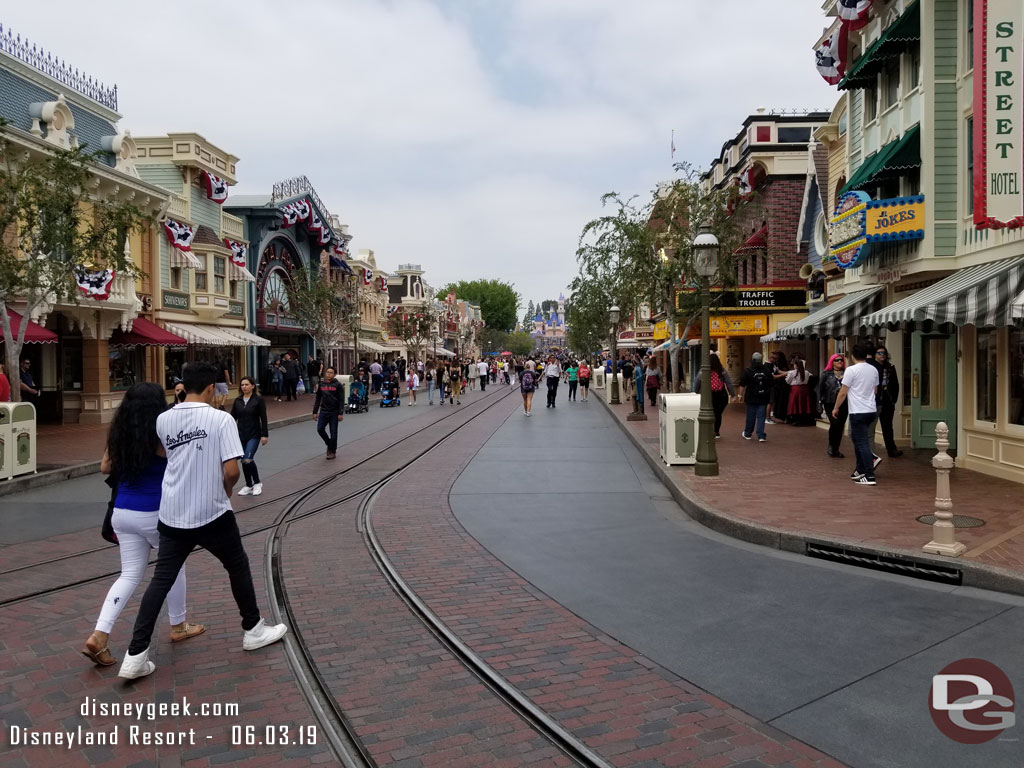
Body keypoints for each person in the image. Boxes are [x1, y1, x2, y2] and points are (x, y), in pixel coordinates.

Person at [118, 363, 288, 680]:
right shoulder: (221, 419)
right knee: (237, 566)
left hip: (172, 513)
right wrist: (225, 492)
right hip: (211, 511)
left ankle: (135, 655)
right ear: (211, 388)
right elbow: (233, 470)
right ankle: (252, 629)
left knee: (160, 580)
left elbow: (164, 454)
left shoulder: (164, 418)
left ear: (184, 386)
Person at [82, 383, 205, 668]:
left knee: (129, 575)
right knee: (173, 566)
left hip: (123, 512)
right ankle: (178, 625)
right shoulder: (161, 431)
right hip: (155, 511)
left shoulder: (119, 431)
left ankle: (100, 634)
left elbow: (105, 467)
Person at [832, 344, 881, 486]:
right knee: (858, 439)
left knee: (862, 442)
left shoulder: (851, 370)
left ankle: (869, 474)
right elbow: (875, 390)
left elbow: (843, 391)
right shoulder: (873, 369)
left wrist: (836, 408)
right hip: (871, 410)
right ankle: (860, 470)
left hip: (858, 411)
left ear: (853, 356)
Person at [231, 376, 269, 496]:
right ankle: (248, 485)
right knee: (243, 461)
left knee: (247, 459)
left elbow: (263, 418)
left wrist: (264, 435)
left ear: (253, 386)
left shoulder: (258, 400)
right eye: (242, 385)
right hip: (241, 435)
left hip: (254, 434)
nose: (244, 387)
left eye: (247, 384)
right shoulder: (238, 401)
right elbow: (232, 418)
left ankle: (257, 483)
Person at [694, 354, 735, 438]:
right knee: (718, 414)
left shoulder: (704, 370)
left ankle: (709, 430)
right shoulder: (722, 370)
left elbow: (697, 381)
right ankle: (716, 431)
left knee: (709, 412)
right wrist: (732, 394)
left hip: (709, 395)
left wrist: (695, 392)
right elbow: (729, 383)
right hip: (722, 395)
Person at [738, 352, 773, 442]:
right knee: (761, 416)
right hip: (763, 396)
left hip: (751, 396)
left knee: (751, 416)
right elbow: (771, 383)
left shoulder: (748, 370)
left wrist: (740, 395)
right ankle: (761, 435)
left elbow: (742, 384)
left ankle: (748, 433)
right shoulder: (766, 370)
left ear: (752, 360)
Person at [875, 346, 903, 457]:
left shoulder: (890, 367)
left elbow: (895, 384)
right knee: (871, 427)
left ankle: (891, 449)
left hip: (888, 401)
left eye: (884, 353)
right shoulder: (872, 368)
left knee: (888, 427)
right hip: (875, 401)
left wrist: (893, 400)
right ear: (875, 354)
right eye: (879, 353)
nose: (882, 355)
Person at [818, 354, 848, 458]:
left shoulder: (847, 373)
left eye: (841, 360)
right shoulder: (826, 374)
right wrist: (819, 403)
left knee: (840, 426)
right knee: (835, 423)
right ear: (832, 362)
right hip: (830, 402)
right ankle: (831, 445)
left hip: (844, 403)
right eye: (837, 360)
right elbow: (820, 389)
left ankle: (836, 449)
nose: (840, 362)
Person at [312, 367, 344, 459]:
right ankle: (329, 444)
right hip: (323, 411)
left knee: (333, 433)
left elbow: (341, 400)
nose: (328, 374)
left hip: (334, 412)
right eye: (327, 372)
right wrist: (315, 411)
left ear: (334, 375)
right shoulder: (322, 384)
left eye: (331, 373)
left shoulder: (338, 385)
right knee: (320, 429)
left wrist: (340, 413)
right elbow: (318, 399)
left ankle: (332, 451)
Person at [785, 355, 815, 426]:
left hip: (795, 389)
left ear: (796, 365)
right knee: (803, 404)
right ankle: (803, 418)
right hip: (804, 389)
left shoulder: (792, 372)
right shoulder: (807, 372)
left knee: (795, 404)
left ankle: (795, 419)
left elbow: (787, 381)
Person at [765, 351, 787, 425]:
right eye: (775, 359)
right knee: (769, 402)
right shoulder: (767, 366)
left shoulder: (773, 365)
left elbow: (778, 371)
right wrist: (783, 375)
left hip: (773, 386)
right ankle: (767, 418)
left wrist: (788, 373)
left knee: (772, 401)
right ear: (771, 358)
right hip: (769, 386)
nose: (776, 361)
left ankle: (770, 417)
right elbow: (773, 377)